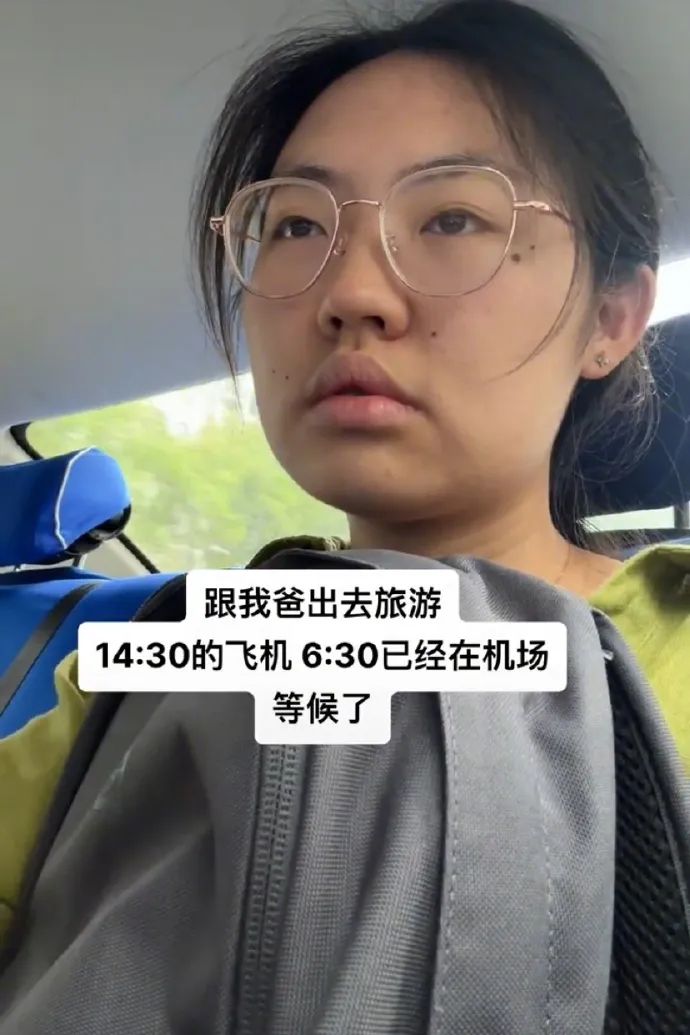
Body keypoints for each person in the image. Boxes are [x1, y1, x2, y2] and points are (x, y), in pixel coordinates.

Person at [1, 0, 688, 1022]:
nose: (353, 292)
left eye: (452, 219)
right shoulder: (156, 665)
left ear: (613, 317)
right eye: (296, 226)